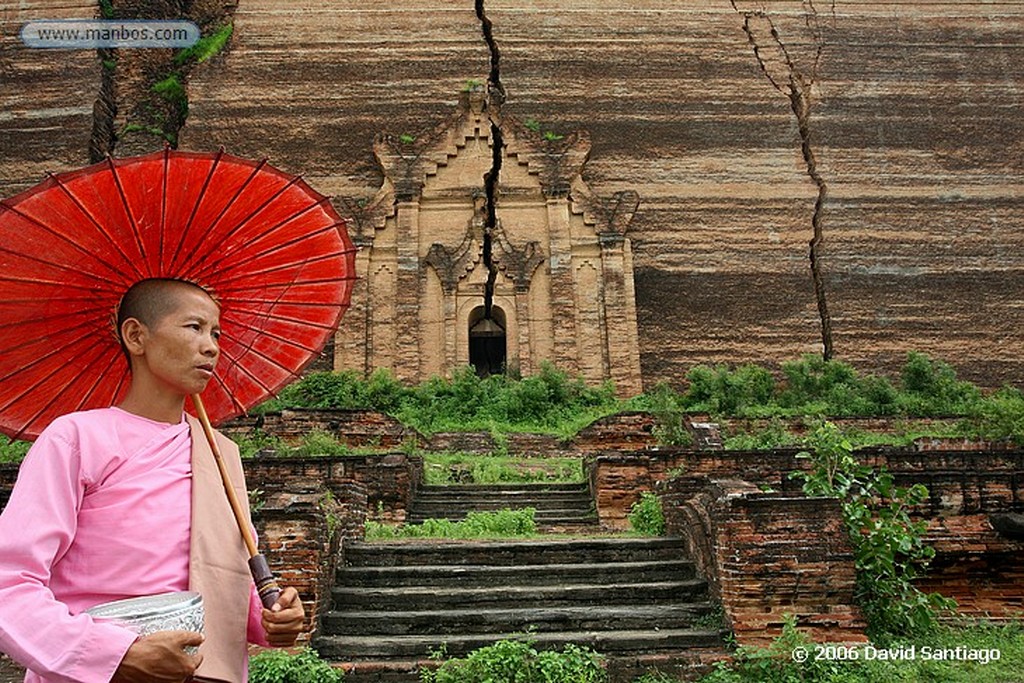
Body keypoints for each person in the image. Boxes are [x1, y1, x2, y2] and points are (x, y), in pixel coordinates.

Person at [0, 278, 305, 683]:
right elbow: (10, 582)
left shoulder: (219, 455)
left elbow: (213, 576)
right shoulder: (77, 439)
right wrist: (114, 654)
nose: (211, 346)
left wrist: (267, 615)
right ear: (135, 336)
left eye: (216, 333)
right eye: (194, 327)